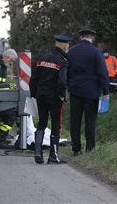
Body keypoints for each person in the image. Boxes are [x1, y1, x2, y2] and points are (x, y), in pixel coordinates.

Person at [30, 33, 72, 164]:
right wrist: (62, 95)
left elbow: (33, 79)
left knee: (41, 123)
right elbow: (62, 81)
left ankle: (38, 152)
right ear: (65, 46)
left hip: (41, 95)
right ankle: (53, 156)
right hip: (54, 97)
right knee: (55, 126)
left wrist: (34, 94)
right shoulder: (62, 62)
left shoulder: (42, 58)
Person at [67, 28, 109, 156]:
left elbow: (66, 70)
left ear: (81, 37)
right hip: (91, 91)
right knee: (90, 120)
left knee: (75, 120)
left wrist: (68, 86)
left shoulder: (71, 52)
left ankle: (76, 148)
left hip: (75, 90)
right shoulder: (96, 52)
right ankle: (90, 148)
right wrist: (105, 90)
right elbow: (102, 72)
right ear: (92, 38)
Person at [0, 49, 18, 149]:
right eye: (11, 61)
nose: (11, 63)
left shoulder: (3, 66)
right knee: (10, 116)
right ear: (7, 57)